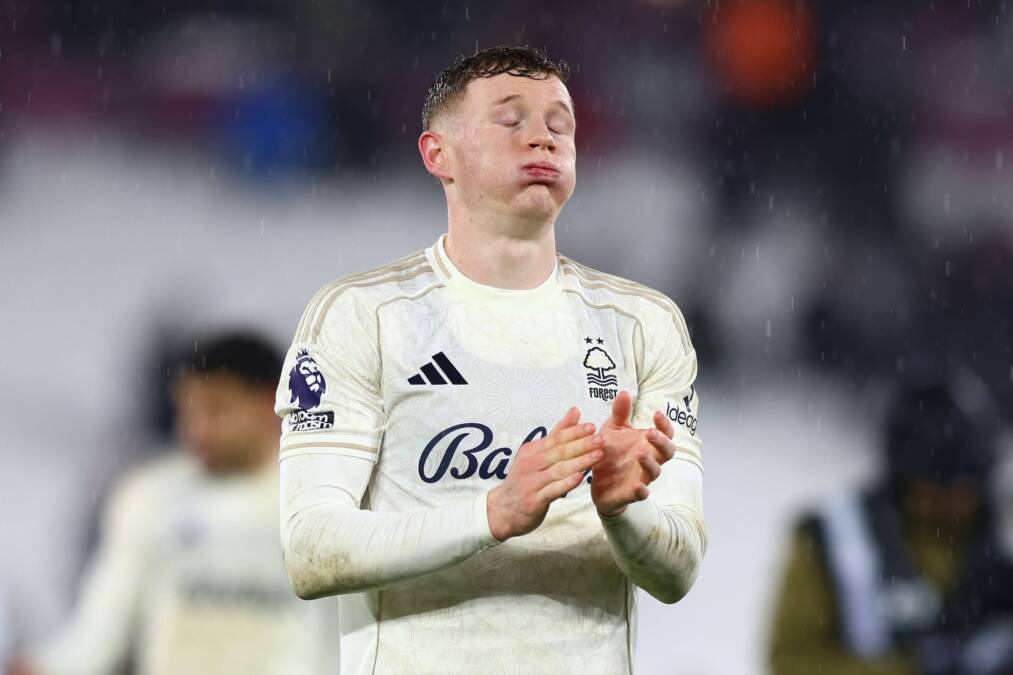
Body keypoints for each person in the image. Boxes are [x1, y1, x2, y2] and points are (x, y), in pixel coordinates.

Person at [275, 46, 706, 674]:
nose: (543, 137)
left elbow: (678, 571)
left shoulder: (644, 324)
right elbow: (310, 550)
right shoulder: (364, 316)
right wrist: (493, 513)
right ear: (438, 154)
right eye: (511, 120)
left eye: (560, 125)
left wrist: (624, 509)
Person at [12, 333, 339, 675]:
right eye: (188, 411)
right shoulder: (149, 497)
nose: (197, 430)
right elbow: (100, 632)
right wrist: (43, 667)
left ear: (269, 403)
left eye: (217, 409)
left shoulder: (326, 500)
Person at [768, 368, 1013, 675]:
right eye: (942, 484)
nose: (958, 496)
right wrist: (911, 669)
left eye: (970, 481)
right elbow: (789, 660)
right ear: (905, 477)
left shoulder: (1003, 529)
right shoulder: (835, 538)